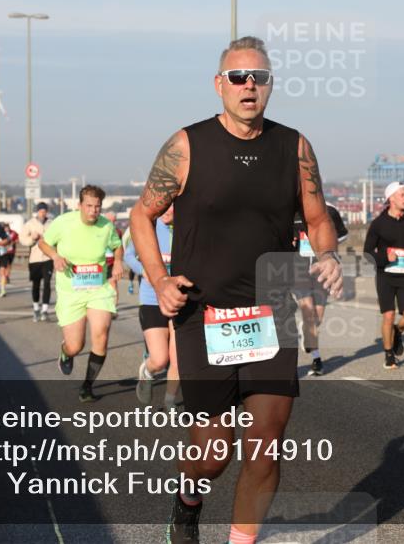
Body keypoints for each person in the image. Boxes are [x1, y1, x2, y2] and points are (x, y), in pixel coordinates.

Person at [129, 36, 343, 544]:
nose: (249, 86)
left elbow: (317, 218)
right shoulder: (187, 145)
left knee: (266, 443)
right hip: (204, 313)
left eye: (259, 78)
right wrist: (159, 279)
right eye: (239, 77)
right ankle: (188, 498)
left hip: (272, 309)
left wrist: (329, 253)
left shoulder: (294, 146)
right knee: (213, 451)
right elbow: (143, 215)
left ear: (270, 86)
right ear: (219, 84)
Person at [39, 185, 124, 403]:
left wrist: (118, 263)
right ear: (79, 206)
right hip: (70, 291)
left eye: (97, 207)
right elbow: (44, 243)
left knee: (101, 334)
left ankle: (87, 386)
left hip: (99, 288)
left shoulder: (106, 226)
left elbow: (117, 246)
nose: (93, 211)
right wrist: (55, 256)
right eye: (89, 206)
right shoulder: (63, 222)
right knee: (76, 345)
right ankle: (66, 352)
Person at [363, 182, 404, 370]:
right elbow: (367, 252)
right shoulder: (378, 224)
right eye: (402, 195)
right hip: (386, 275)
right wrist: (384, 257)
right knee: (389, 315)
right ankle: (389, 355)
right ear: (391, 198)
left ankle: (398, 332)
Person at [124, 205, 181, 410]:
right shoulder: (149, 226)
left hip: (180, 300)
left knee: (178, 359)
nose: (168, 211)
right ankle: (147, 372)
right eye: (164, 207)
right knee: (159, 360)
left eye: (172, 207)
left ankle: (169, 403)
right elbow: (128, 255)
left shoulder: (185, 228)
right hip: (152, 299)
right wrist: (144, 271)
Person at [292, 203, 348, 375]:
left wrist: (325, 246)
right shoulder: (292, 212)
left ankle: (307, 332)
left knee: (318, 317)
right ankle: (317, 359)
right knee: (309, 314)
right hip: (298, 270)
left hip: (321, 271)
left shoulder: (330, 211)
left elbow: (342, 235)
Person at [21, 202, 54, 321]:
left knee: (47, 283)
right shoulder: (30, 224)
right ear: (37, 211)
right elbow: (23, 239)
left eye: (44, 211)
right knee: (36, 284)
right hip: (34, 258)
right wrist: (32, 238)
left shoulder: (51, 223)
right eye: (41, 211)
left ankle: (45, 310)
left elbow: (57, 238)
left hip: (48, 257)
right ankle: (36, 308)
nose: (43, 213)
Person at [0, 223, 19, 297]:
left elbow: (13, 240)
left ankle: (3, 289)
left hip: (5, 253)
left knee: (3, 270)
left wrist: (10, 243)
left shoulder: (9, 234)